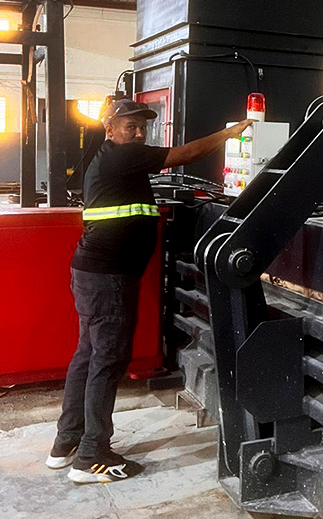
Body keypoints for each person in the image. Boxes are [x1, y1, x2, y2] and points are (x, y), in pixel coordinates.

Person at [45, 99, 254, 483]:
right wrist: (230, 133)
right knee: (106, 361)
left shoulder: (119, 160)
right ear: (111, 130)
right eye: (130, 126)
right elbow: (186, 154)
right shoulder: (124, 158)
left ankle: (66, 443)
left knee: (88, 356)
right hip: (108, 278)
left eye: (143, 128)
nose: (139, 133)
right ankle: (91, 457)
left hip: (96, 275)